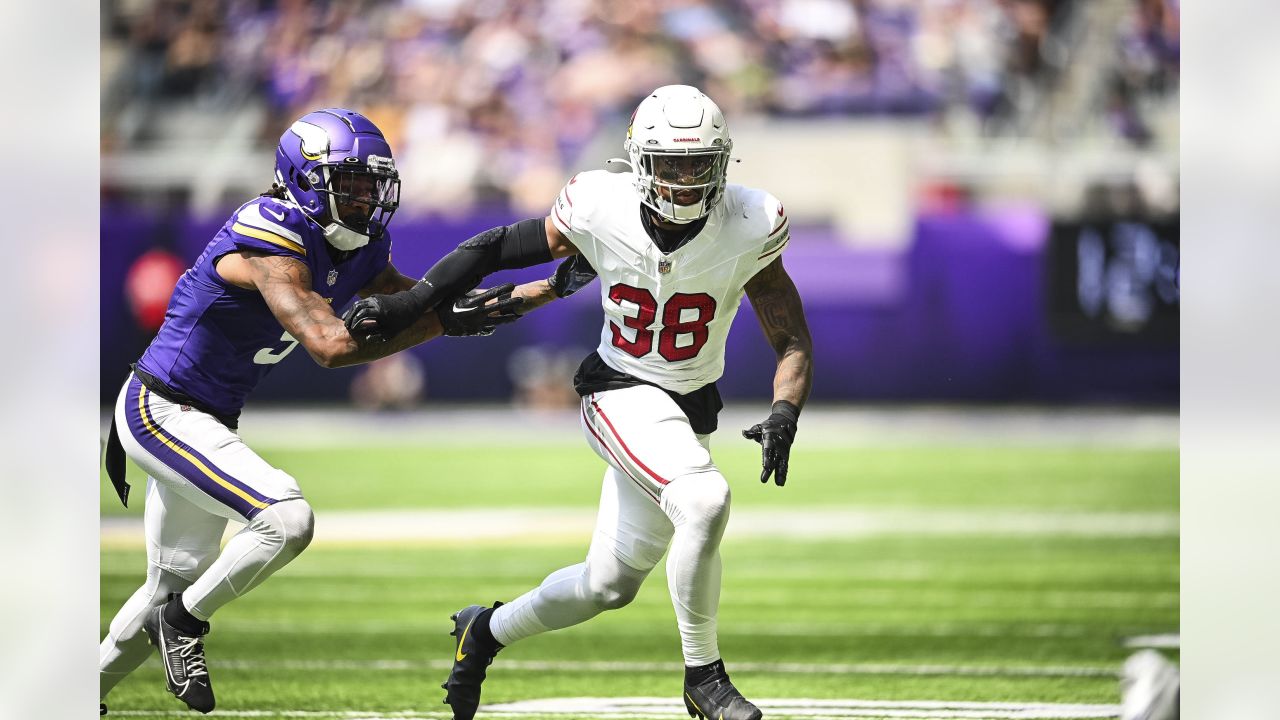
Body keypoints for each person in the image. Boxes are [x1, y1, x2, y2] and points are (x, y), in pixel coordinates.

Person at [345, 85, 815, 720]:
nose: (682, 179)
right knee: (704, 499)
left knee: (607, 585)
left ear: (722, 162)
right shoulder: (601, 204)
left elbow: (790, 337)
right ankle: (704, 678)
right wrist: (410, 303)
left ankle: (483, 631)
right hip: (620, 389)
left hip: (686, 409)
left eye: (697, 163)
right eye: (669, 163)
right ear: (639, 161)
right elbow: (492, 248)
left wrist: (786, 409)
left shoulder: (750, 222)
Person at [99, 108, 520, 716]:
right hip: (162, 408)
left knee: (167, 581)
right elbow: (331, 346)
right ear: (302, 180)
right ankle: (185, 623)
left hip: (207, 416)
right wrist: (440, 322)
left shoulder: (359, 243)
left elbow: (410, 300)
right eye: (348, 183)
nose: (364, 198)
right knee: (285, 517)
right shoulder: (271, 232)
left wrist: (526, 292)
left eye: (372, 184)